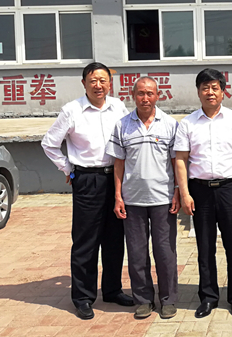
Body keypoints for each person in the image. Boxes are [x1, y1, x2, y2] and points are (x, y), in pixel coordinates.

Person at [41, 62, 133, 320]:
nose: (98, 85)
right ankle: (83, 297)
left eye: (103, 80)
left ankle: (112, 290)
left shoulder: (118, 107)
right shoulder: (72, 110)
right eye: (93, 80)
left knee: (115, 238)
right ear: (84, 83)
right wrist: (67, 168)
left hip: (116, 179)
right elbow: (49, 143)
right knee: (86, 241)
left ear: (110, 83)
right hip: (87, 180)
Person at [174, 68, 232, 318]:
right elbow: (180, 160)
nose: (210, 92)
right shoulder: (187, 123)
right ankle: (208, 298)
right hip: (200, 191)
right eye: (205, 88)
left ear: (223, 91)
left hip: (230, 189)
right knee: (205, 247)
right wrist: (185, 193)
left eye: (215, 88)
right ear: (198, 92)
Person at [106, 77, 180, 320]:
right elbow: (119, 163)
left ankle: (168, 300)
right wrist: (118, 196)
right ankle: (143, 300)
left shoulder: (170, 125)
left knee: (165, 253)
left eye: (150, 93)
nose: (145, 98)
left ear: (158, 96)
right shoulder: (122, 125)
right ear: (133, 95)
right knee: (137, 253)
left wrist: (178, 191)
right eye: (140, 93)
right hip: (133, 201)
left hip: (163, 199)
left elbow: (176, 162)